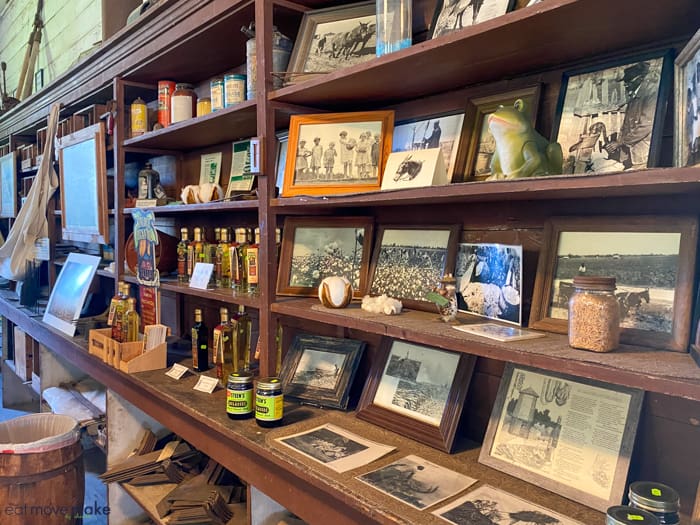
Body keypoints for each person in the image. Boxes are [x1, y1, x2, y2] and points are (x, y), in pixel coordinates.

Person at [603, 61, 658, 170]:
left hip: (641, 153)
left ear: (640, 79)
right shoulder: (634, 93)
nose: (625, 84)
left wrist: (620, 142)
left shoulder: (651, 93)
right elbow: (627, 124)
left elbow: (646, 126)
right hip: (628, 154)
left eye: (628, 81)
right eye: (625, 81)